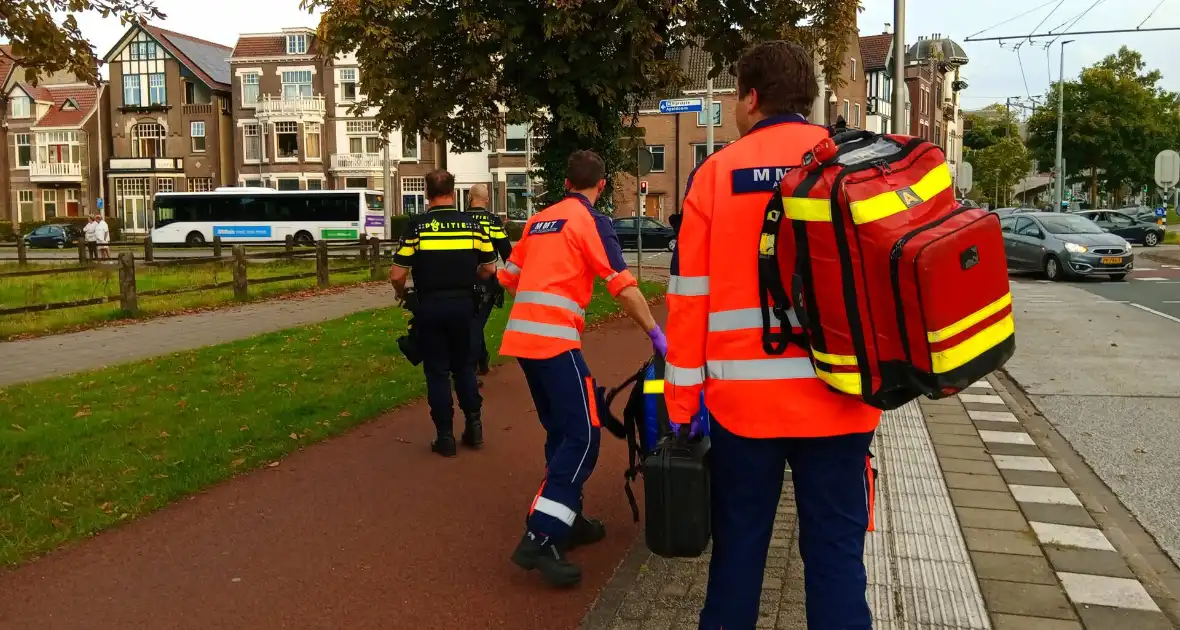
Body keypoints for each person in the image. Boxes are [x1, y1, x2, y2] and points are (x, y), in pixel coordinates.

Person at [663, 41, 883, 630]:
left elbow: (687, 304)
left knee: (739, 553)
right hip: (843, 400)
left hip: (744, 409)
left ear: (751, 97)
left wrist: (682, 408)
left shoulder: (714, 176)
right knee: (836, 557)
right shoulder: (854, 164)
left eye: (736, 96)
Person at [499, 150, 666, 587]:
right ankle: (541, 534)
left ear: (567, 182)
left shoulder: (540, 220)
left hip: (523, 341)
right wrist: (655, 332)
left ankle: (566, 517)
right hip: (555, 340)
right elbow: (623, 286)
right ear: (602, 185)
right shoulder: (591, 221)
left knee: (562, 428)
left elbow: (509, 275)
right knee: (585, 434)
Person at [389, 169, 498, 457]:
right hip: (464, 307)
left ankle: (445, 437)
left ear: (427, 193)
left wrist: (401, 293)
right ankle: (474, 428)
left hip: (430, 307)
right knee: (463, 366)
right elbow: (489, 268)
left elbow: (397, 273)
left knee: (437, 370)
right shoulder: (473, 227)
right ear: (453, 191)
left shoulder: (417, 227)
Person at [465, 183, 512, 375]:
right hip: (486, 281)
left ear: (469, 197)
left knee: (473, 323)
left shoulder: (462, 220)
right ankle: (476, 363)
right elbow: (507, 253)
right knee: (476, 323)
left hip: (464, 280)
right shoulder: (493, 222)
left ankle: (477, 363)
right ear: (487, 200)